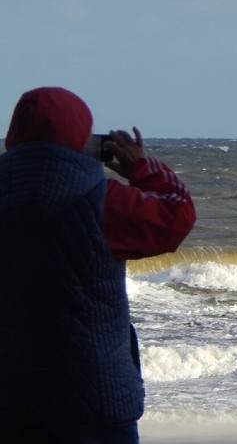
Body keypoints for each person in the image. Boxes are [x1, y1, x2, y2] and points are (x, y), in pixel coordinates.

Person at [0, 87, 197, 444]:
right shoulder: (105, 200)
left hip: (11, 398)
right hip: (96, 398)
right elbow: (177, 214)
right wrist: (141, 168)